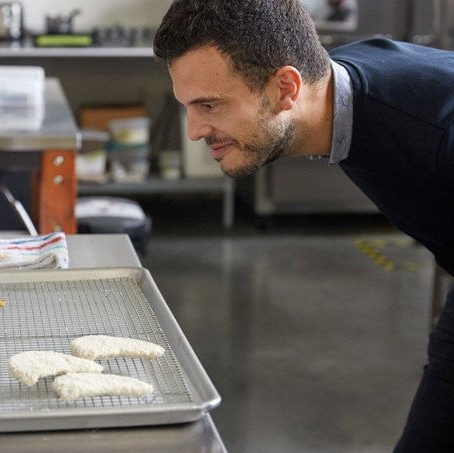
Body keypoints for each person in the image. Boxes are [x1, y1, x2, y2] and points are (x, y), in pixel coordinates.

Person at [153, 0, 454, 451]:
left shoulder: (433, 130)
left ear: (285, 88)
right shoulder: (340, 91)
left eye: (210, 105)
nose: (195, 130)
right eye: (188, 107)